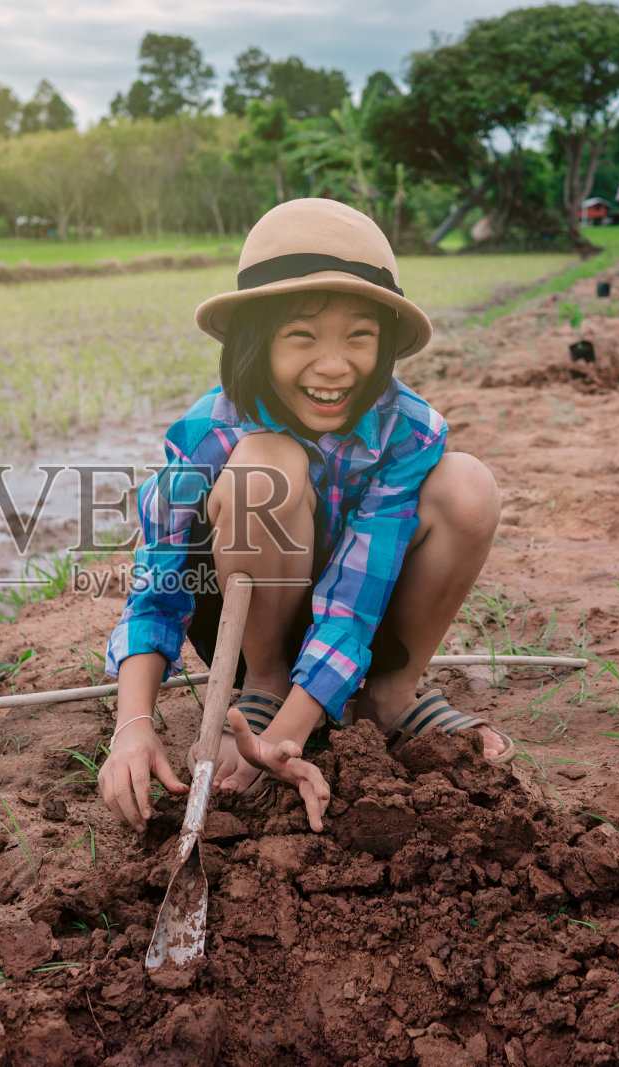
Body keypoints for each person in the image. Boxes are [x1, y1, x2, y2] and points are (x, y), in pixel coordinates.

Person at [97, 198, 506, 835]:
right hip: (254, 620)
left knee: (468, 485)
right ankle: (265, 683)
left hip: (361, 628)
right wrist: (133, 726)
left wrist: (286, 738)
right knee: (269, 463)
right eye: (302, 335)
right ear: (257, 341)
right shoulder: (208, 431)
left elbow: (355, 598)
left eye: (360, 337)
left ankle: (390, 694)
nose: (335, 366)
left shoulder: (407, 432)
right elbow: (158, 594)